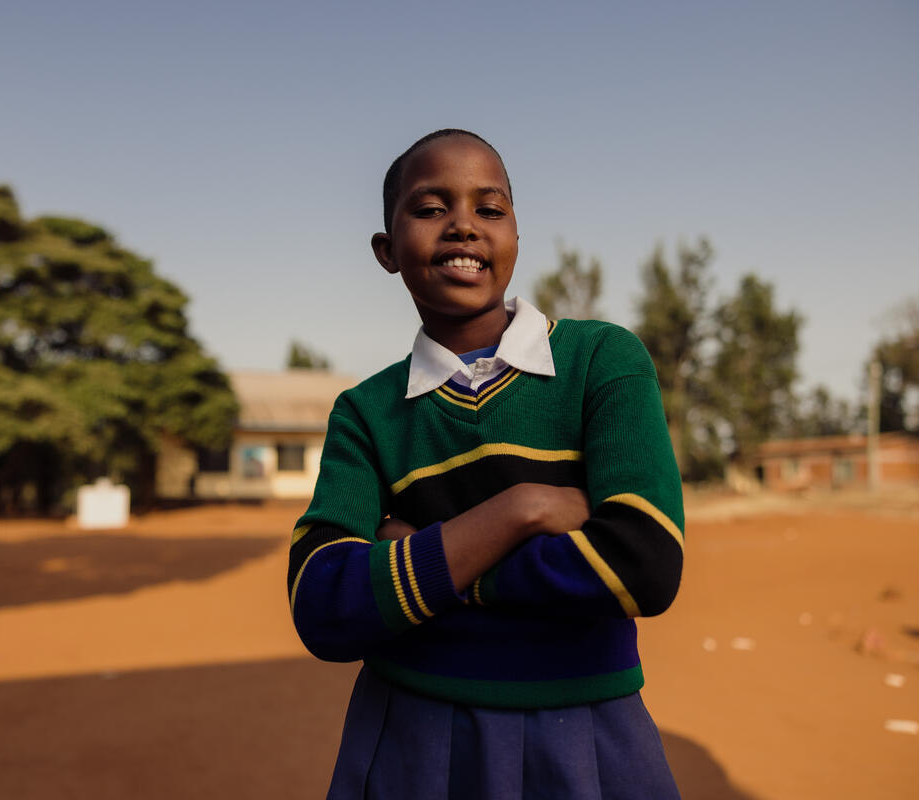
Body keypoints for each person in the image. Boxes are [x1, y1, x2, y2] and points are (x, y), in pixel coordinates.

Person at [287, 129, 685, 799]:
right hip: (408, 742)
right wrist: (517, 512)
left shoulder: (600, 361)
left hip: (586, 737)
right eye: (430, 207)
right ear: (387, 251)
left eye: (489, 209)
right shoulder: (367, 411)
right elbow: (323, 605)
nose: (463, 226)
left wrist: (432, 563)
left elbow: (642, 566)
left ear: (516, 238)